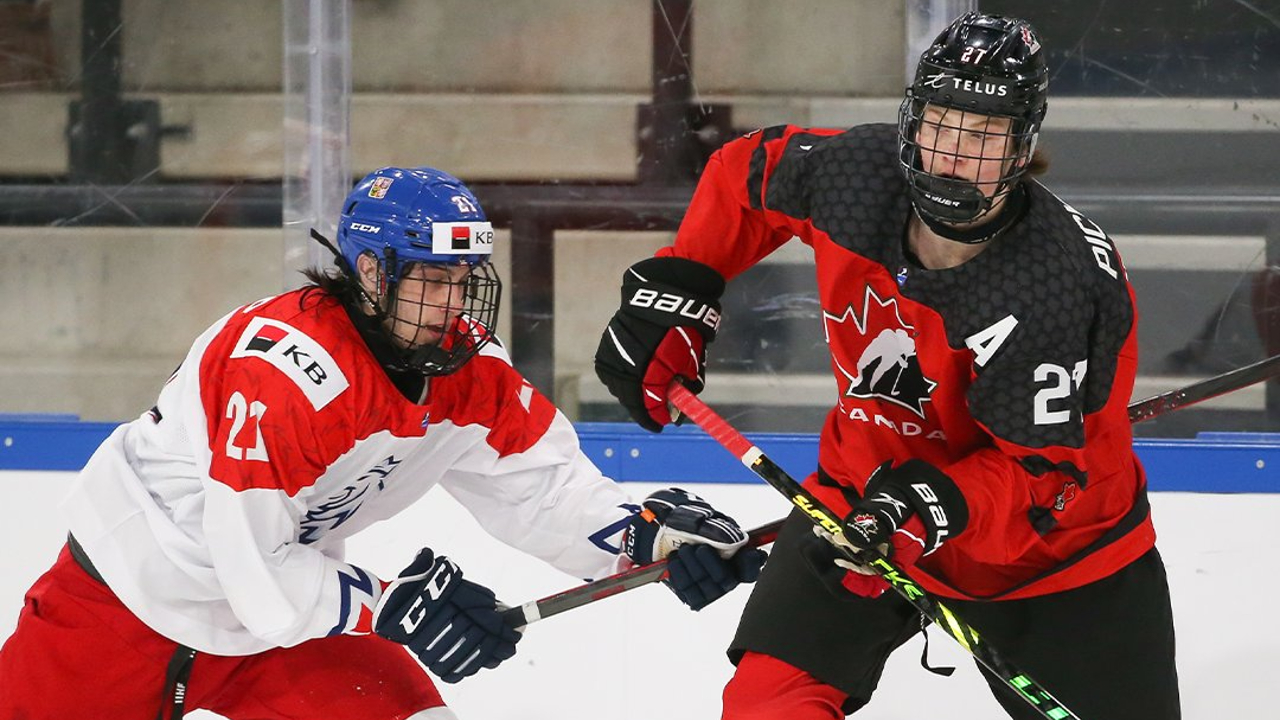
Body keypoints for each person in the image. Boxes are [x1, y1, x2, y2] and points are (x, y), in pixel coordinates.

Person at [0, 166, 766, 720]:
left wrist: (648, 541)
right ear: (370, 271)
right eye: (432, 279)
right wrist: (395, 605)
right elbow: (252, 572)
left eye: (464, 279)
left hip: (286, 629)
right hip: (122, 609)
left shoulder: (470, 371)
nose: (454, 302)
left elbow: (546, 492)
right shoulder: (289, 372)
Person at [594, 12, 1180, 720]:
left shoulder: (1055, 286)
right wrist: (679, 289)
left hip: (1054, 558)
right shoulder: (854, 177)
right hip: (860, 502)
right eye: (939, 123)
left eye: (983, 135)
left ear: (1023, 148)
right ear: (912, 120)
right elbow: (743, 175)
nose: (952, 156)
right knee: (766, 708)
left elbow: (1042, 480)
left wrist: (922, 510)